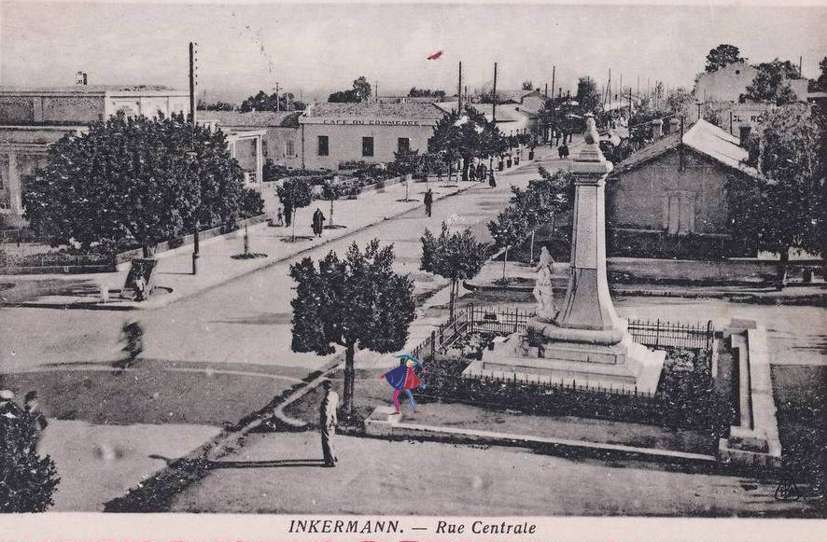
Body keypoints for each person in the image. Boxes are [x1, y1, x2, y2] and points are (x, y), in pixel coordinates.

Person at [319, 380, 339, 467]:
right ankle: (334, 456)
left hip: (327, 421)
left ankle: (330, 461)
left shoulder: (327, 398)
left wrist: (326, 423)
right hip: (333, 420)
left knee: (326, 440)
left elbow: (326, 412)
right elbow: (335, 407)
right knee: (332, 439)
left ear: (324, 387)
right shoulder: (335, 395)